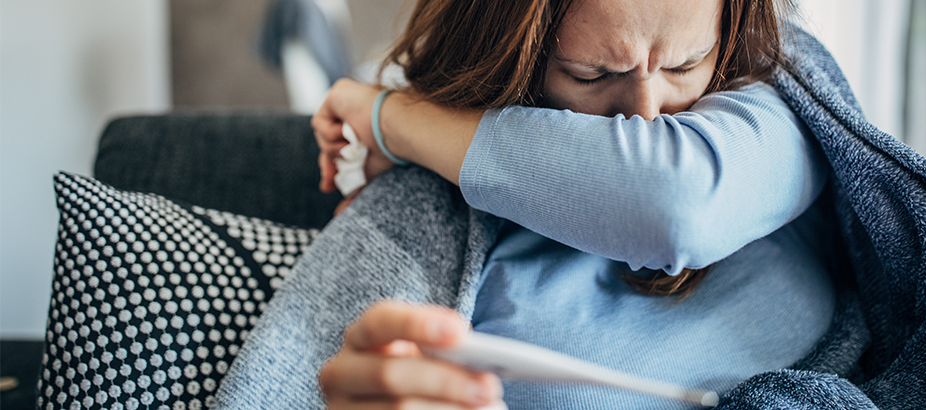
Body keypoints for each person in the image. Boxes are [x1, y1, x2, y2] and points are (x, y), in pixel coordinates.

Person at [307, 0, 838, 409]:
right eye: (591, 75)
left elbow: (674, 202)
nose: (649, 117)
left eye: (685, 64)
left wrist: (388, 117)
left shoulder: (773, 108)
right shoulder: (441, 204)